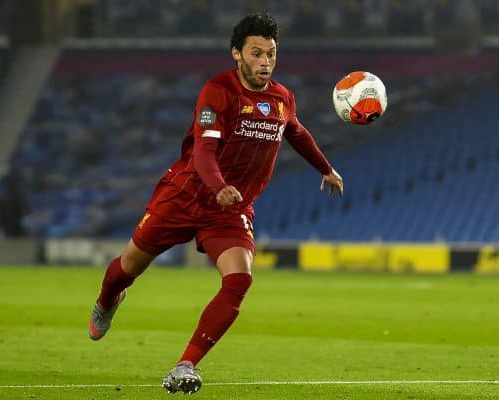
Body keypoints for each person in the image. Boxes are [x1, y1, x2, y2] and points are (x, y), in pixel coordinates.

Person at [88, 12, 343, 395]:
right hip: (186, 195)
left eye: (271, 54)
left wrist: (326, 168)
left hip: (230, 209)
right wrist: (219, 185)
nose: (265, 62)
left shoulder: (282, 97)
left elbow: (297, 132)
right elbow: (204, 151)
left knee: (240, 279)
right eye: (256, 53)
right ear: (236, 55)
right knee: (127, 267)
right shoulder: (217, 92)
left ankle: (185, 365)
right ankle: (108, 300)